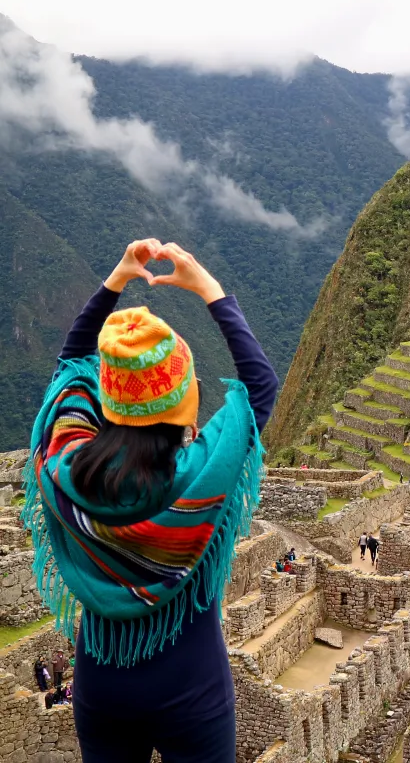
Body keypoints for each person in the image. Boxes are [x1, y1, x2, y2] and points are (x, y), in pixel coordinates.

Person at [22, 239, 278, 763]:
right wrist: (208, 287)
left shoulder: (66, 469)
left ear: (108, 403)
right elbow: (259, 386)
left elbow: (69, 366)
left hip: (102, 687)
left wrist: (115, 280)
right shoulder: (198, 478)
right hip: (192, 688)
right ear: (183, 402)